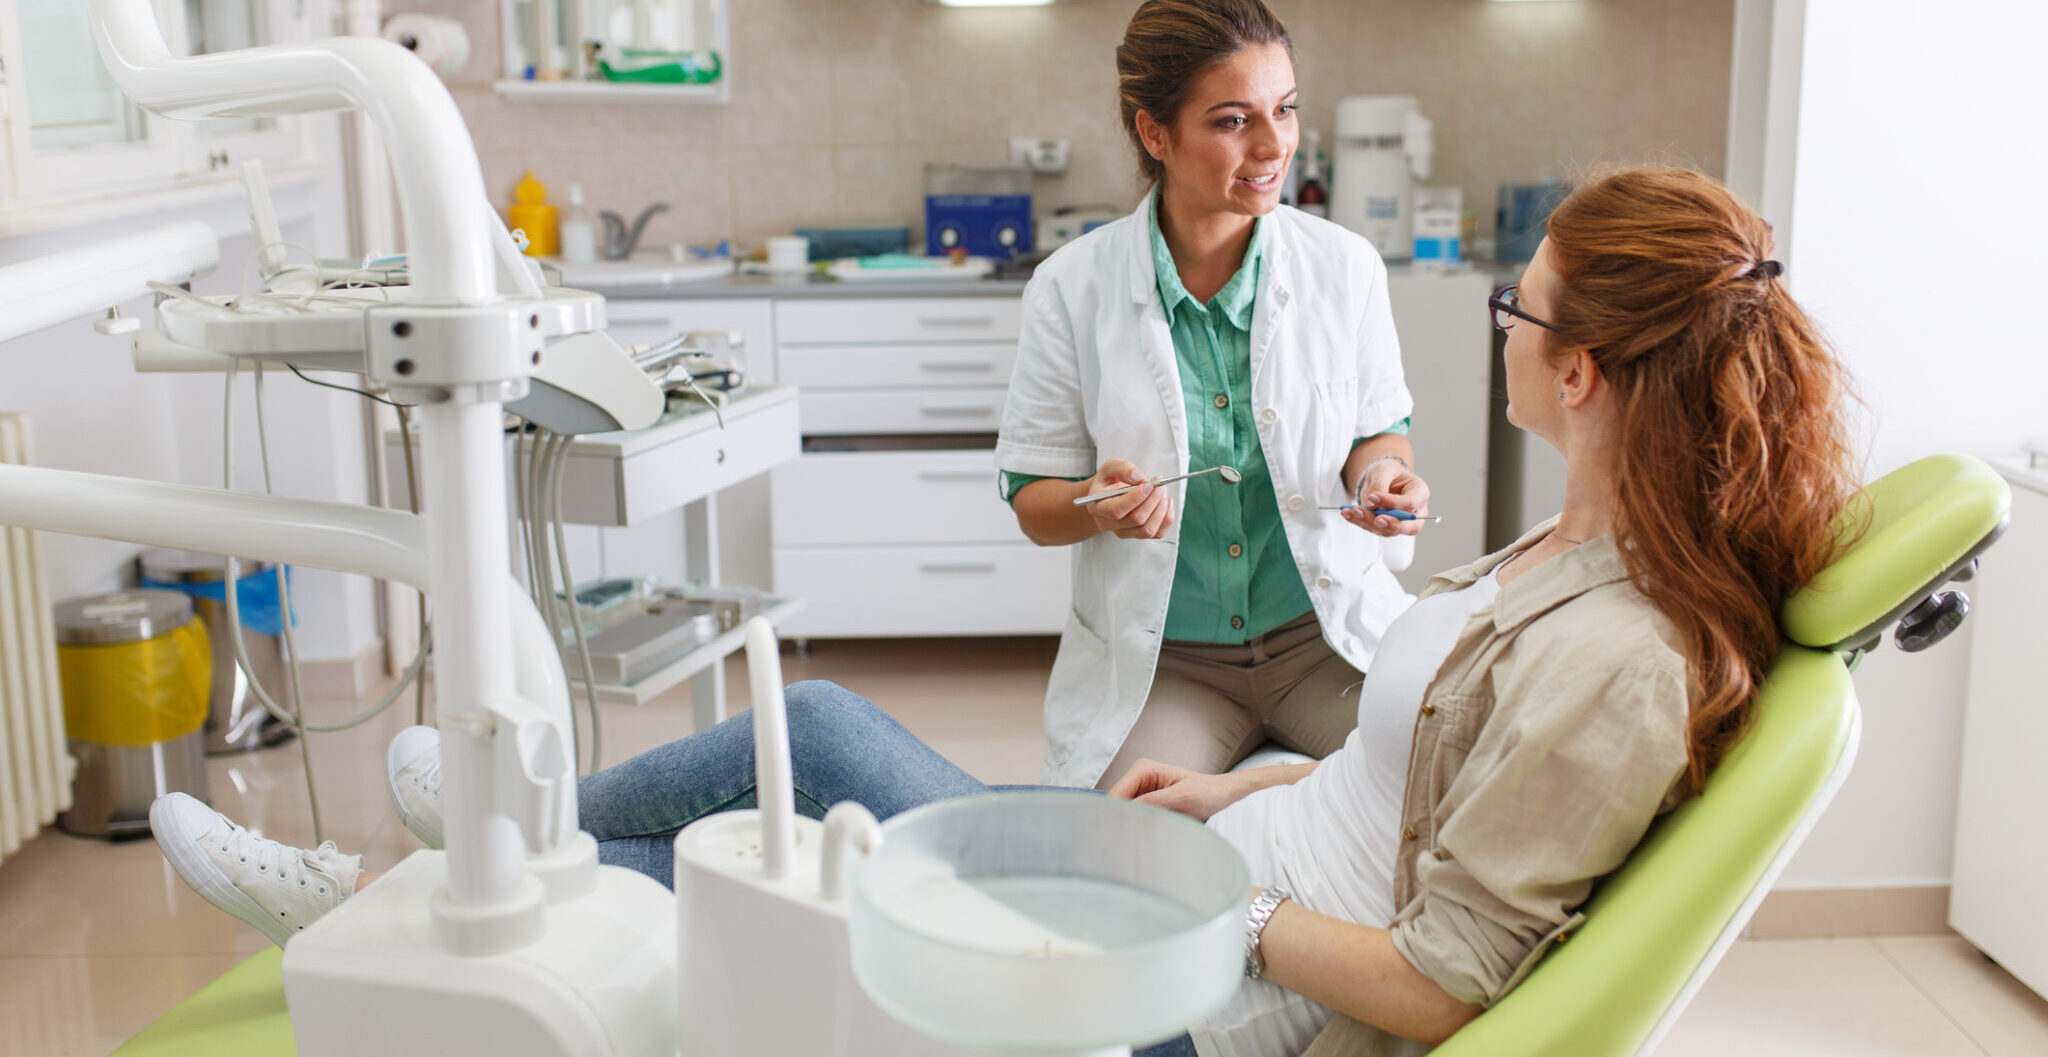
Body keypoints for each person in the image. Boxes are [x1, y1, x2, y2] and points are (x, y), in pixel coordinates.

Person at [152, 166, 1858, 1057]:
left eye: (1516, 303)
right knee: (798, 759)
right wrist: (1227, 799)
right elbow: (1386, 795)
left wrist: (1215, 908)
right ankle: (463, 855)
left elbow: (1433, 983)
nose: (1495, 326)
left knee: (752, 852)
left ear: (1571, 365)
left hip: (1187, 997)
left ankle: (402, 892)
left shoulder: (1622, 656)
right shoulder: (1568, 548)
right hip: (1203, 882)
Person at [998, 0, 1432, 790]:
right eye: (1233, 120)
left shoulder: (1344, 268)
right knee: (1125, 847)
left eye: (1286, 109)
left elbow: (1379, 429)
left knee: (1436, 793)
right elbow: (1034, 502)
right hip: (1172, 664)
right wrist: (1097, 500)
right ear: (1154, 132)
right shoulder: (1070, 289)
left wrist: (1378, 473)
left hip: (1322, 644)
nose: (1274, 145)